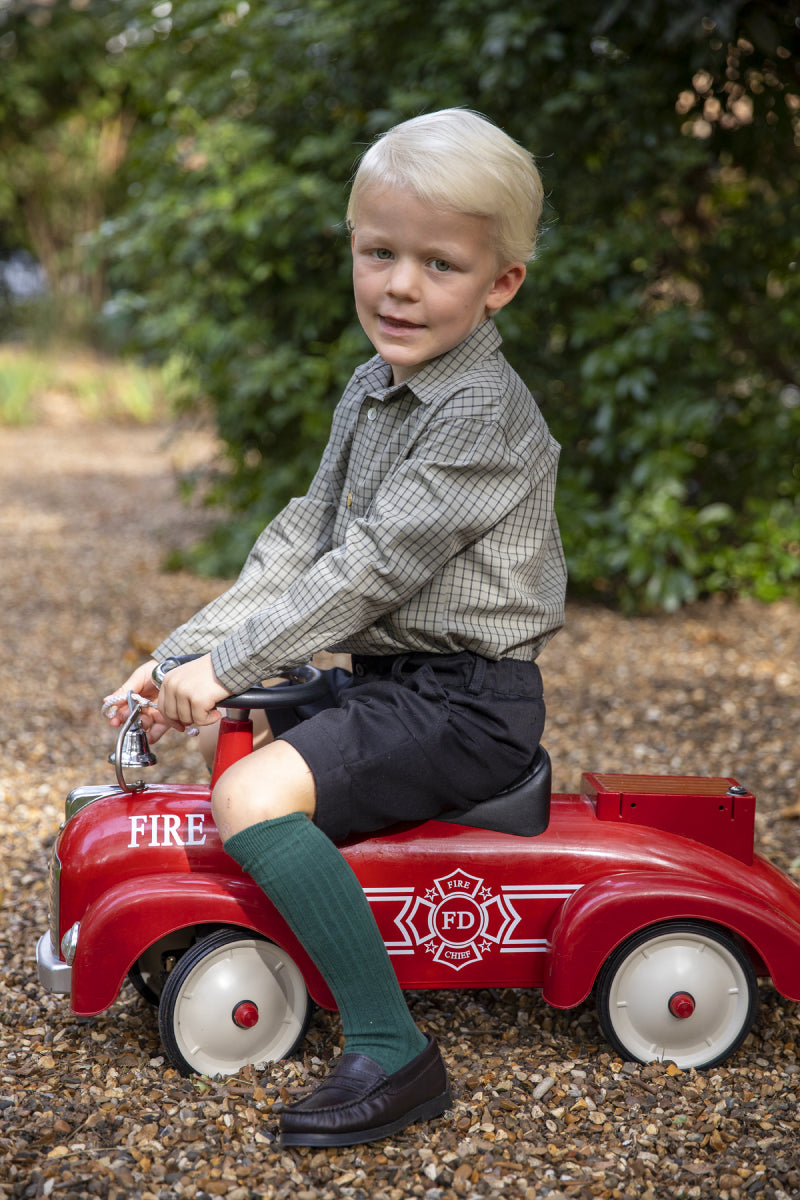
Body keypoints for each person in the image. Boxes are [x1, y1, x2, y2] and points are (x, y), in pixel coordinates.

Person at [105, 107, 567, 1147]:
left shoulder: (479, 414)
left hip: (467, 701)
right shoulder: (375, 386)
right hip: (396, 680)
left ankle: (393, 1048)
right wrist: (183, 653)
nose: (400, 285)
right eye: (378, 253)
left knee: (251, 789)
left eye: (438, 263)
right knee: (257, 741)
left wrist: (232, 664)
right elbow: (304, 537)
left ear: (500, 283)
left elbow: (369, 569)